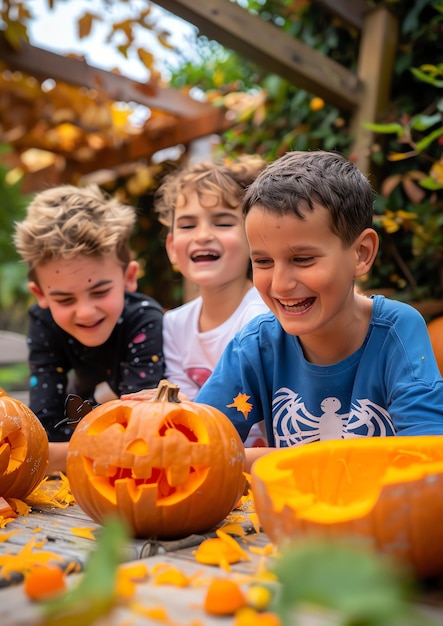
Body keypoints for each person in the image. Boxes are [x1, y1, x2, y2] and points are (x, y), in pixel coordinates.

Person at [193, 150, 443, 470]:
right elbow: (200, 450)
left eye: (302, 259)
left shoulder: (398, 329)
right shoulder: (256, 345)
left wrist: (261, 459)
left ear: (361, 254)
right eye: (263, 262)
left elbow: (427, 454)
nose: (280, 285)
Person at [14, 184, 165, 472]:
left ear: (129, 277)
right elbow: (44, 426)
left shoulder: (144, 318)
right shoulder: (43, 321)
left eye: (99, 292)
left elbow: (141, 429)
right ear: (41, 295)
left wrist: (56, 453)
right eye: (65, 299)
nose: (85, 311)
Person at [123, 156, 270, 446]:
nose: (203, 235)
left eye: (223, 222)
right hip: (198, 454)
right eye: (188, 226)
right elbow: (179, 401)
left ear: (255, 238)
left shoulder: (262, 318)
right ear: (172, 248)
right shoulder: (174, 324)